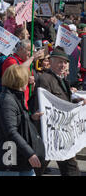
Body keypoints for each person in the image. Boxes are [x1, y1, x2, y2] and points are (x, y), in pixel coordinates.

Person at [29, 47, 85, 176]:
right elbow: (44, 104)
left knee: (71, 168)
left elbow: (63, 102)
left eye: (65, 62)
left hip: (62, 132)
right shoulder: (45, 79)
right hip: (48, 133)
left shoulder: (62, 79)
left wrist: (77, 103)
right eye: (59, 62)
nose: (63, 65)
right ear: (51, 62)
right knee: (37, 167)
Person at [0, 64, 43, 176]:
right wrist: (29, 153)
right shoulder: (7, 100)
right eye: (26, 77)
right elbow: (11, 131)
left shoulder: (15, 96)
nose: (28, 80)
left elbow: (16, 121)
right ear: (19, 80)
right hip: (10, 156)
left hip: (18, 154)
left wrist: (31, 118)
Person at [1, 40, 44, 108]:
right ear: (21, 49)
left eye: (33, 51)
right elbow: (18, 72)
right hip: (13, 102)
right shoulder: (11, 60)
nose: (32, 53)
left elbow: (31, 87)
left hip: (26, 103)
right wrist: (32, 58)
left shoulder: (28, 63)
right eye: (29, 50)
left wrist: (32, 83)